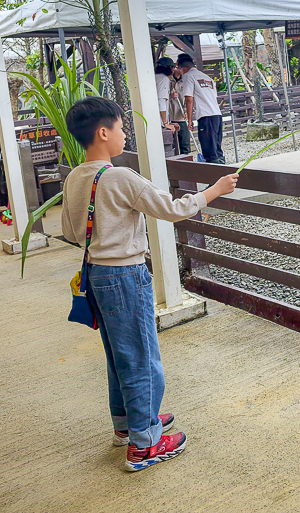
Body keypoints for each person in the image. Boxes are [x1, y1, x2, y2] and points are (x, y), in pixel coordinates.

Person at [61, 96, 238, 471]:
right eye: (122, 128)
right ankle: (145, 442)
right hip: (124, 275)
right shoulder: (120, 177)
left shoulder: (75, 178)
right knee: (142, 357)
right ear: (103, 132)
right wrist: (215, 190)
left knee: (118, 354)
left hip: (95, 273)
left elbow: (70, 231)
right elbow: (173, 209)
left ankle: (128, 425)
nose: (124, 134)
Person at [176, 53, 224, 164]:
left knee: (209, 151)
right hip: (217, 115)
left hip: (205, 116)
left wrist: (189, 119)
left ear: (181, 67)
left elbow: (189, 99)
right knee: (217, 149)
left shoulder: (188, 76)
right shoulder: (207, 78)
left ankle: (214, 179)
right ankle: (223, 173)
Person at [167, 64, 190, 154]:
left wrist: (186, 111)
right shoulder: (168, 80)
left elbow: (188, 98)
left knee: (185, 142)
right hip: (170, 117)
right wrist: (170, 96)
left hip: (181, 116)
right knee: (172, 144)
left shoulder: (185, 81)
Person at [154, 58, 179, 138]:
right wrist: (165, 123)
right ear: (170, 68)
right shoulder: (163, 79)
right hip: (159, 124)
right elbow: (161, 101)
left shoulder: (155, 77)